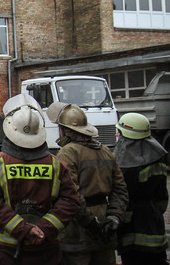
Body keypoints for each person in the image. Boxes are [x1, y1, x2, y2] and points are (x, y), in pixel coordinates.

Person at [0, 94, 81, 265]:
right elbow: (70, 202)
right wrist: (44, 228)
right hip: (46, 247)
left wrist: (23, 229)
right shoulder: (56, 164)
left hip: (9, 249)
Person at [48, 102, 128, 265]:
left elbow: (71, 195)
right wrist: (113, 218)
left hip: (77, 230)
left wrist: (91, 224)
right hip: (105, 224)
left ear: (66, 131)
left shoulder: (67, 153)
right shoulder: (106, 151)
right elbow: (120, 191)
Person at [113, 113, 169, 265]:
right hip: (154, 221)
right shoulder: (158, 157)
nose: (117, 135)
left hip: (133, 228)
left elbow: (125, 199)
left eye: (119, 131)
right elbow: (163, 196)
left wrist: (119, 222)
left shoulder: (128, 165)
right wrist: (155, 212)